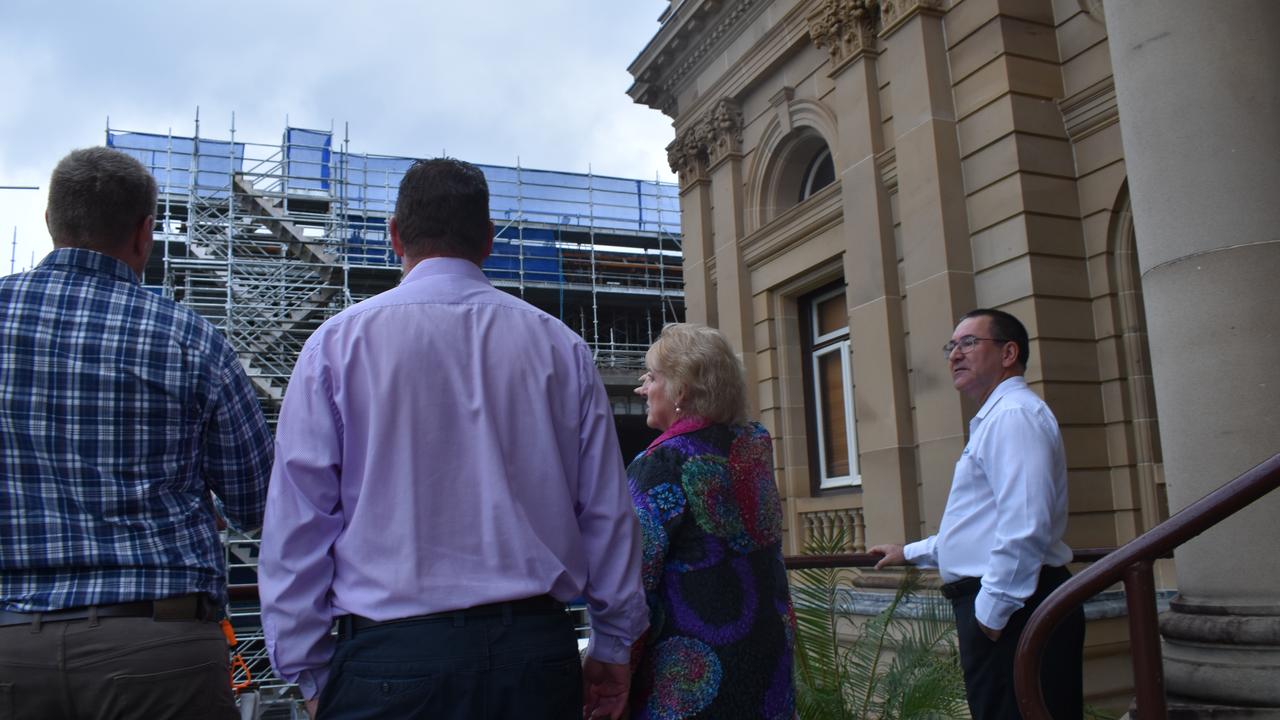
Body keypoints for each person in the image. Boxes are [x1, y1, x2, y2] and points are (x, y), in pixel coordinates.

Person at [258, 157, 648, 720]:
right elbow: (607, 513)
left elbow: (299, 521)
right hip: (534, 655)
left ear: (395, 236)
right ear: (489, 240)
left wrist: (309, 671)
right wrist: (612, 642)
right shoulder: (560, 349)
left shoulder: (336, 347)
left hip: (387, 660)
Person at [0, 147, 274, 719]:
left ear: (49, 220)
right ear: (145, 231)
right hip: (158, 645)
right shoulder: (192, 338)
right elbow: (257, 501)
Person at [870, 308, 1084, 720]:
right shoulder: (997, 417)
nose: (954, 355)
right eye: (952, 345)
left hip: (1015, 608)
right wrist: (912, 552)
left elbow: (1025, 525)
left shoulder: (1014, 416)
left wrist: (991, 614)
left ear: (1008, 353)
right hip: (1011, 606)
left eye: (969, 343)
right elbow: (983, 524)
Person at [626, 323, 796, 720]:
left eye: (651, 378)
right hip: (766, 658)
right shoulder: (752, 448)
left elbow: (630, 580)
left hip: (690, 679)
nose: (641, 389)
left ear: (680, 390)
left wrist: (612, 671)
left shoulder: (661, 463)